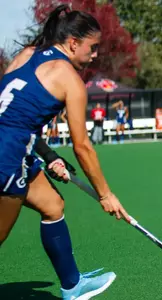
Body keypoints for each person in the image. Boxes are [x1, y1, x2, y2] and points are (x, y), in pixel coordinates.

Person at [0, 5, 129, 299]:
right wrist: (105, 194)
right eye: (92, 47)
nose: (95, 55)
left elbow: (11, 115)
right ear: (73, 43)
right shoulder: (70, 79)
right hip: (8, 155)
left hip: (18, 148)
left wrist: (50, 157)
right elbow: (82, 146)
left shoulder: (29, 53)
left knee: (52, 206)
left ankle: (72, 285)